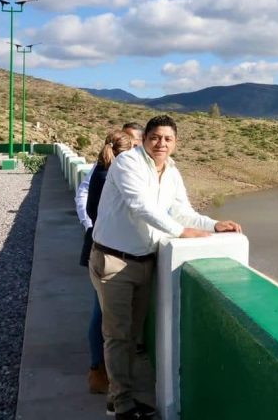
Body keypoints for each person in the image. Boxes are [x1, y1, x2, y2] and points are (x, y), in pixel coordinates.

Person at [90, 115, 241, 420]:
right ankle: (122, 405)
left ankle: (117, 398)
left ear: (176, 143)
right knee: (118, 335)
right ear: (145, 138)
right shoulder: (128, 163)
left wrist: (213, 225)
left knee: (132, 336)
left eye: (168, 139)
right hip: (114, 261)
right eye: (156, 137)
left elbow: (182, 210)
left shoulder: (171, 171)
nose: (161, 143)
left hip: (144, 262)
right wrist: (181, 232)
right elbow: (140, 206)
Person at [77, 123, 143, 395]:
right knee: (104, 315)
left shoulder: (104, 170)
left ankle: (102, 371)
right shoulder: (111, 175)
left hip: (100, 248)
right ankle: (101, 372)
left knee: (105, 314)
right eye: (135, 145)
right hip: (108, 253)